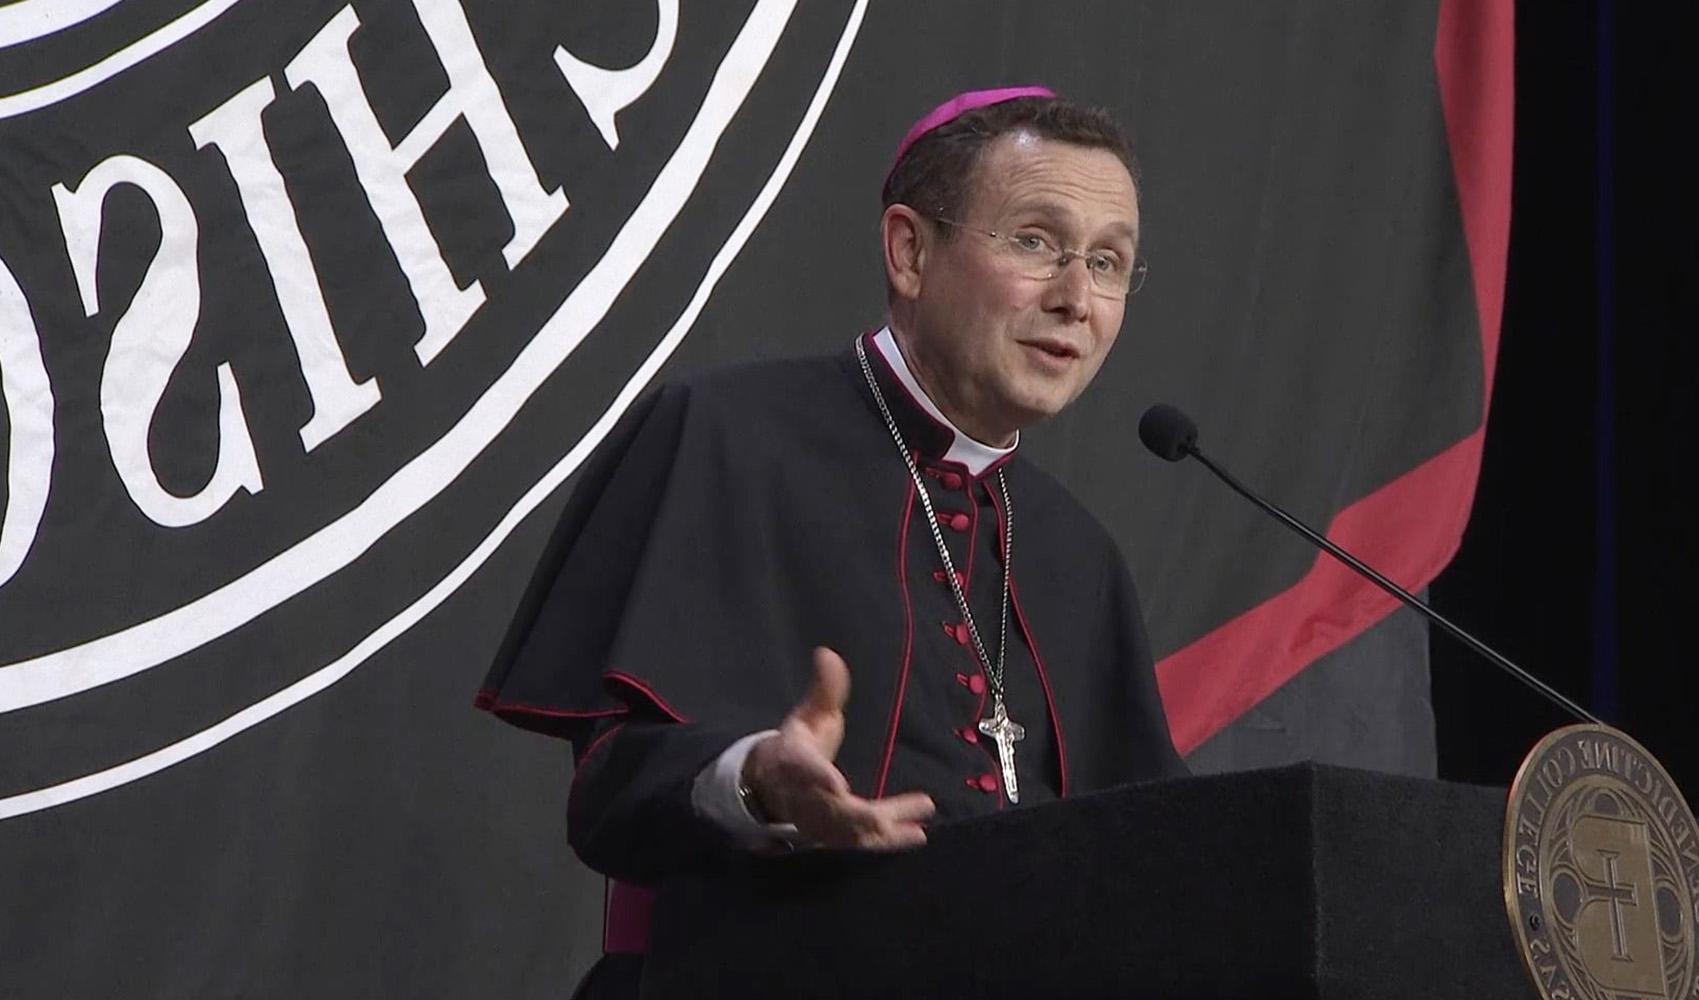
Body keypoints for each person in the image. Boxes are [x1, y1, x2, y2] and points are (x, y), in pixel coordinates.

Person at [477, 85, 1187, 997]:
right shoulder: (727, 435)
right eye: (1035, 242)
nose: (1075, 298)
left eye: (1108, 261)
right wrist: (757, 782)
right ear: (910, 251)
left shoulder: (1079, 558)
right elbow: (611, 795)